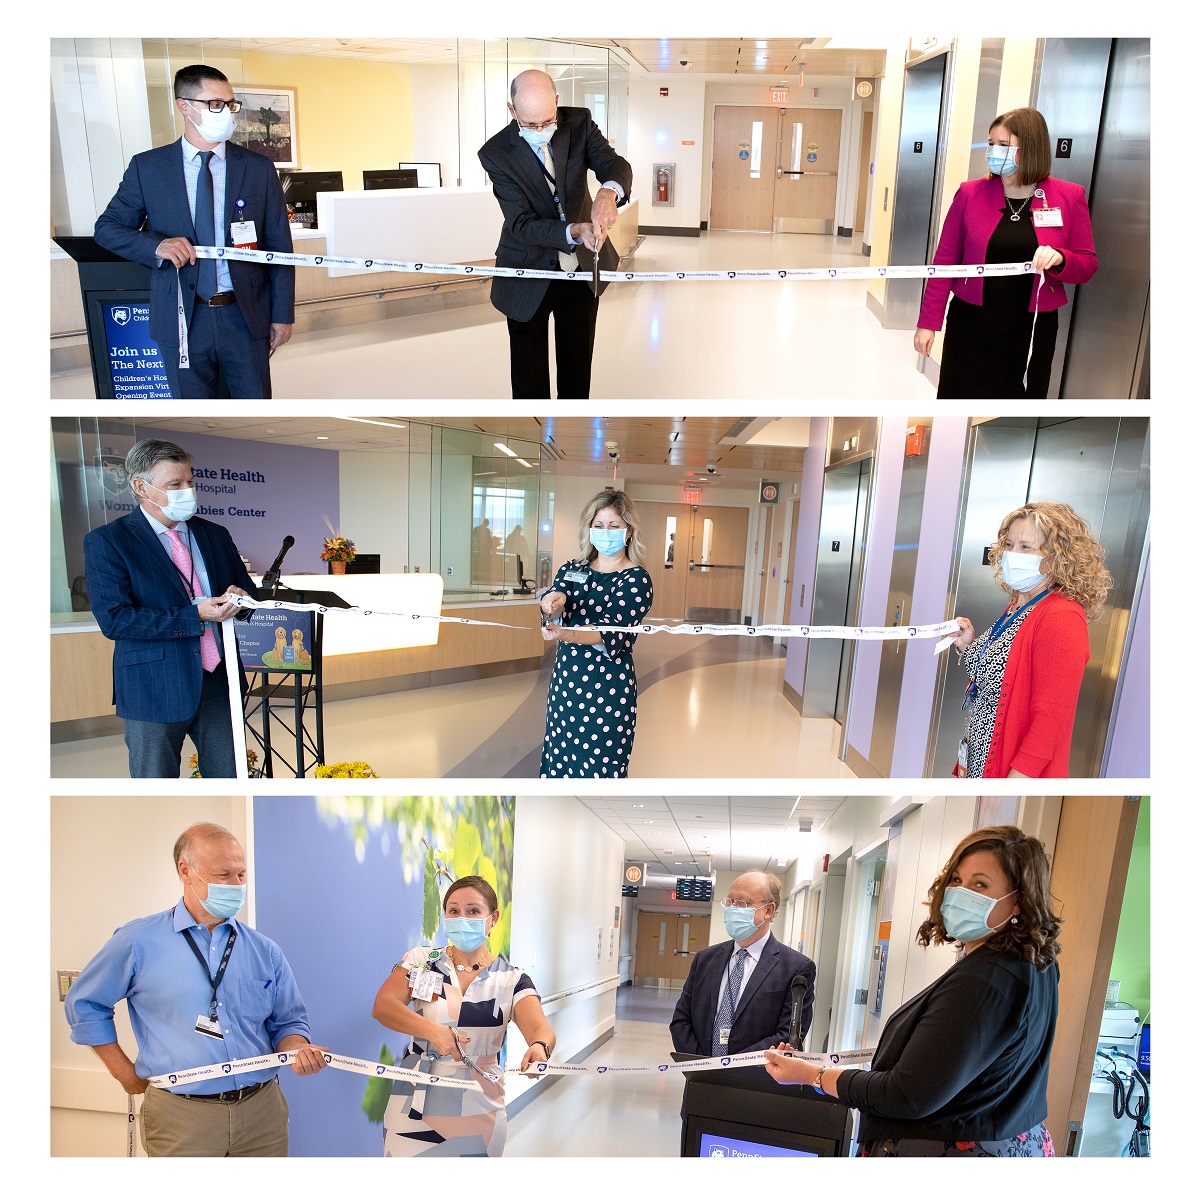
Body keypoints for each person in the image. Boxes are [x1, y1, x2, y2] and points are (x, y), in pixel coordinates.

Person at [765, 825, 1061, 1158]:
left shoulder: (984, 981)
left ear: (1018, 900)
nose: (961, 892)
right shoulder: (1031, 965)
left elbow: (908, 1095)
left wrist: (811, 1075)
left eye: (980, 884)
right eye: (956, 880)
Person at [64, 823, 327, 1157]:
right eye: (223, 875)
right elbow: (84, 1004)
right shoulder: (137, 942)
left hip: (263, 1113)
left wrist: (297, 1050)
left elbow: (288, 1022)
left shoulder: (265, 950)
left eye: (241, 875)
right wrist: (122, 1073)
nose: (236, 885)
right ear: (185, 871)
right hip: (181, 1117)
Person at [93, 64, 294, 398]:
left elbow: (279, 247)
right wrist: (155, 246)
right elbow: (107, 229)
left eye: (231, 104)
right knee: (192, 405)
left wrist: (282, 314)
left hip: (244, 317)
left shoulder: (257, 168)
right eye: (215, 104)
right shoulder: (149, 168)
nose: (227, 113)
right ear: (183, 106)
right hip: (181, 317)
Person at [83, 438, 258, 778]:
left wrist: (241, 599)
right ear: (140, 487)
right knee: (156, 781)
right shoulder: (108, 541)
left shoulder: (215, 534)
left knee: (231, 778)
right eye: (174, 484)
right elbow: (115, 619)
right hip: (154, 685)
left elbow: (248, 594)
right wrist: (195, 615)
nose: (187, 491)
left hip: (220, 680)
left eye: (190, 482)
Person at [914, 107, 1098, 399]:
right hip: (971, 323)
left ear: (1031, 149)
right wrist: (928, 323)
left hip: (1032, 327)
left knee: (1019, 401)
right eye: (991, 144)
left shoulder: (1068, 197)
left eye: (1003, 146)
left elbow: (1087, 264)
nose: (993, 152)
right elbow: (945, 262)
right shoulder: (970, 194)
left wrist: (1060, 258)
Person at [371, 876, 555, 1157]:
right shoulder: (423, 960)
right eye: (453, 911)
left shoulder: (511, 979)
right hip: (414, 1102)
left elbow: (541, 1029)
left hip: (480, 1107)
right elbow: (384, 1006)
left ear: (492, 919)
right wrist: (433, 1032)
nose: (461, 918)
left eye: (473, 911)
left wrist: (539, 1048)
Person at [478, 69, 634, 399]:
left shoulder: (579, 123)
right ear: (512, 110)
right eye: (530, 124)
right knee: (529, 382)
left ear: (557, 103)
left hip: (580, 271)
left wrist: (607, 194)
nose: (541, 131)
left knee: (577, 375)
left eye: (547, 121)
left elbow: (614, 164)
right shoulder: (495, 154)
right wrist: (573, 230)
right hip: (526, 270)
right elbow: (521, 223)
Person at [951, 501, 1111, 778]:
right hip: (980, 753)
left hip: (1012, 767)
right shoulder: (1020, 604)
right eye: (1010, 544)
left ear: (1058, 556)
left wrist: (1018, 781)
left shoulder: (1061, 616)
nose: (1013, 554)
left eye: (1026, 547)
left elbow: (1051, 717)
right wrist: (969, 646)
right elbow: (1002, 674)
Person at [538, 489, 653, 777]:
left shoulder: (636, 579)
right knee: (559, 759)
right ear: (589, 528)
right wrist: (552, 602)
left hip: (608, 687)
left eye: (614, 526)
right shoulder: (573, 568)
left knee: (601, 766)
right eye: (599, 525)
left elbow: (610, 629)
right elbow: (558, 594)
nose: (605, 532)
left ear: (628, 531)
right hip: (567, 684)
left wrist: (567, 634)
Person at [670, 871, 815, 1058]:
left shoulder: (796, 969)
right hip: (699, 1077)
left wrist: (731, 1068)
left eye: (743, 903)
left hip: (753, 1081)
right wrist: (702, 1066)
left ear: (768, 911)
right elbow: (681, 1020)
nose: (732, 908)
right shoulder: (705, 959)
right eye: (730, 901)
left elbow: (788, 1035)